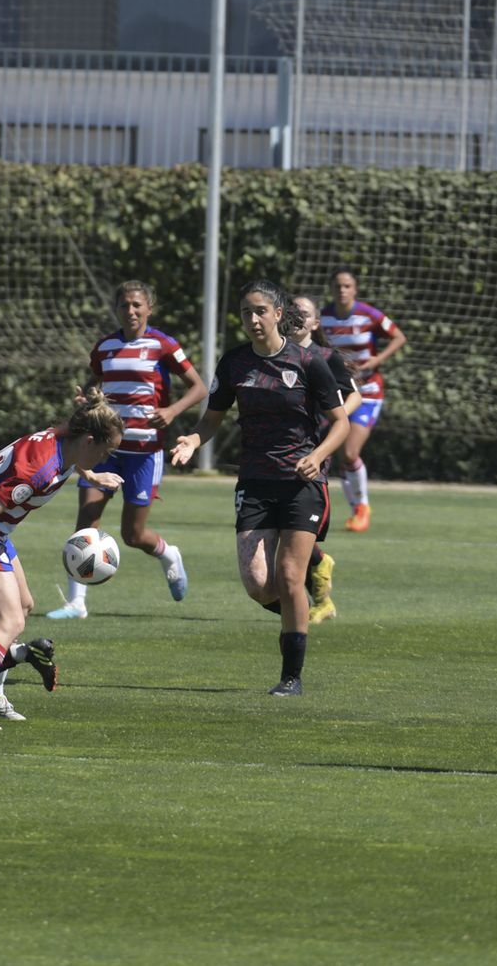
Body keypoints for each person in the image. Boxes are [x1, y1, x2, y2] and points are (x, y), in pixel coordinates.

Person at [170, 281, 349, 697]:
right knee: (257, 584)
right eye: (246, 312)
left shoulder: (309, 362)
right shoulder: (234, 363)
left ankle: (292, 677)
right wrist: (193, 440)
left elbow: (340, 423)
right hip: (254, 481)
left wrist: (318, 454)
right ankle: (297, 614)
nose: (252, 320)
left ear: (278, 312)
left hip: (302, 483)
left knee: (289, 574)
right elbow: (211, 418)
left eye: (260, 311)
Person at [0, 391, 126, 728]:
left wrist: (92, 476)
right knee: (10, 622)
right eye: (106, 450)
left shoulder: (64, 442)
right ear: (88, 440)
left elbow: (71, 457)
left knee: (23, 605)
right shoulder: (39, 470)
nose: (107, 456)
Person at [50, 281, 207, 620]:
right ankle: (76, 603)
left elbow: (199, 387)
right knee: (86, 522)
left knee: (132, 535)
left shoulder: (163, 345)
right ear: (117, 309)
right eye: (125, 305)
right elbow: (95, 386)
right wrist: (88, 399)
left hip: (145, 452)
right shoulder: (105, 347)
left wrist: (172, 411)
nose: (131, 311)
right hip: (104, 451)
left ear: (149, 308)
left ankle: (169, 554)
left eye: (137, 305)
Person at [287, 294, 361, 624]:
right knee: (281, 535)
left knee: (291, 536)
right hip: (276, 453)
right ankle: (318, 579)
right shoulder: (275, 354)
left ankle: (313, 592)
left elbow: (355, 394)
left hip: (312, 453)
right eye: (290, 312)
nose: (296, 317)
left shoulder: (326, 357)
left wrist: (334, 419)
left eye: (303, 314)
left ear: (316, 322)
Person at [319, 266, 406, 533]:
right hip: (338, 393)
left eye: (347, 286)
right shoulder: (323, 318)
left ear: (355, 289)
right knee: (335, 455)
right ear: (331, 289)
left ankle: (362, 507)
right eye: (338, 286)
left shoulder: (368, 315)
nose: (342, 290)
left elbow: (399, 337)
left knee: (349, 451)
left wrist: (377, 360)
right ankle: (353, 508)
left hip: (367, 393)